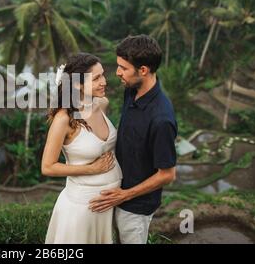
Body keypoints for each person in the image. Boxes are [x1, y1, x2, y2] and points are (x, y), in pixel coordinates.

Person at [89, 35, 177, 244]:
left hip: (135, 209)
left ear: (143, 70)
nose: (117, 72)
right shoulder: (132, 90)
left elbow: (167, 174)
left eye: (123, 68)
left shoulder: (161, 119)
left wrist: (125, 195)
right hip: (115, 194)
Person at [42, 53, 122, 244]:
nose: (104, 81)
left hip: (111, 205)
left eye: (102, 75)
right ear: (77, 84)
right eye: (96, 78)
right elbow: (48, 166)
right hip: (82, 208)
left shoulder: (101, 104)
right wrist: (91, 169)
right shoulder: (64, 120)